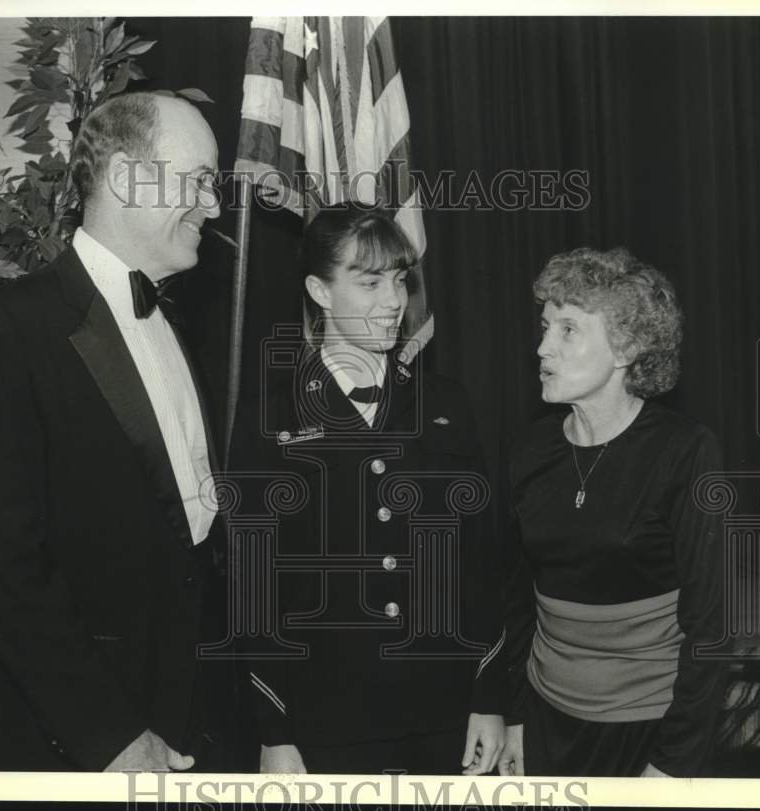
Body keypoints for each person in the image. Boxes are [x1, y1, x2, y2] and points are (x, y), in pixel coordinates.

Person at [0, 93, 226, 771]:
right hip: (80, 748)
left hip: (197, 726)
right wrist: (115, 738)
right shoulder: (5, 328)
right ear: (128, 178)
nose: (214, 206)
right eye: (199, 180)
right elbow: (3, 568)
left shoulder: (181, 328)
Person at [229, 203, 508, 775]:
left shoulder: (445, 404)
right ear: (320, 290)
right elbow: (250, 584)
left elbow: (482, 562)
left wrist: (489, 698)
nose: (394, 301)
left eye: (400, 280)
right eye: (370, 281)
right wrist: (273, 729)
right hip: (326, 723)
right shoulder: (269, 416)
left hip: (444, 716)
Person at [496, 247, 727, 778]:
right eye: (545, 326)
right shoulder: (529, 449)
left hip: (648, 734)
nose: (542, 347)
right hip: (544, 718)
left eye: (568, 330)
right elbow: (513, 600)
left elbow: (711, 627)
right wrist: (515, 717)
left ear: (626, 347)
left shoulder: (685, 451)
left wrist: (672, 765)